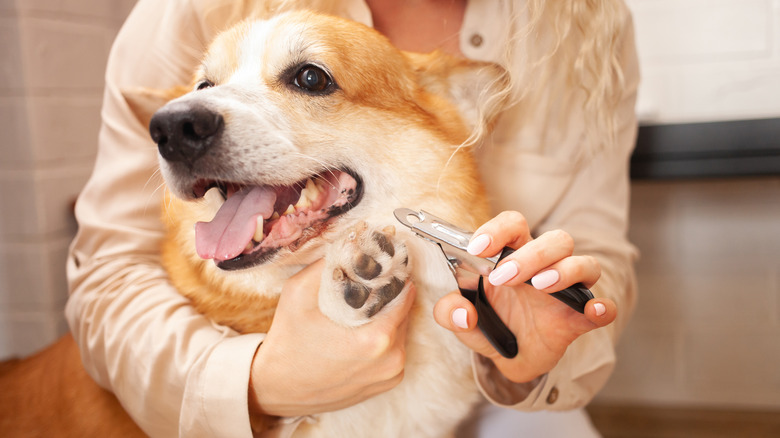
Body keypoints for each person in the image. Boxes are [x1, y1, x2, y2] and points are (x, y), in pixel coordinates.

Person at [66, 0, 639, 436]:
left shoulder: (585, 28)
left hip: (486, 380)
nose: (190, 118)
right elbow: (108, 276)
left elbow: (596, 253)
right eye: (207, 87)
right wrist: (260, 381)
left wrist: (535, 349)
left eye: (309, 78)